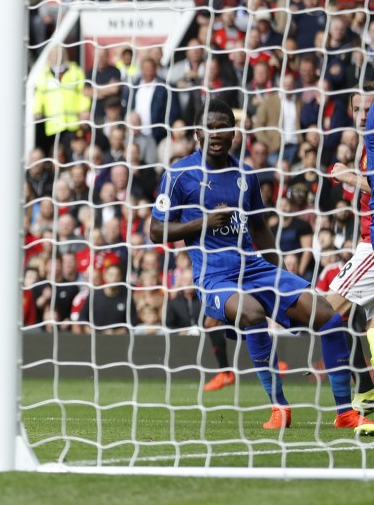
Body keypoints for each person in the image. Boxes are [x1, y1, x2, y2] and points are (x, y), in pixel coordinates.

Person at [149, 98, 373, 434]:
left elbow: (259, 228)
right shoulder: (180, 174)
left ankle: (345, 412)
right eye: (210, 127)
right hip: (214, 276)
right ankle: (279, 407)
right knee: (252, 313)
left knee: (328, 316)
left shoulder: (246, 175)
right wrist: (203, 223)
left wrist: (277, 272)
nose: (217, 134)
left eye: (224, 127)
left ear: (234, 132)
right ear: (198, 133)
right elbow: (156, 230)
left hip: (256, 269)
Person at [328, 88, 374, 413]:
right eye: (357, 109)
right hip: (365, 239)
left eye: (367, 109)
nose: (362, 115)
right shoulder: (363, 145)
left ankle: (359, 392)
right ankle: (368, 393)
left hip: (371, 246)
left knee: (326, 311)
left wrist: (349, 176)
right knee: (371, 324)